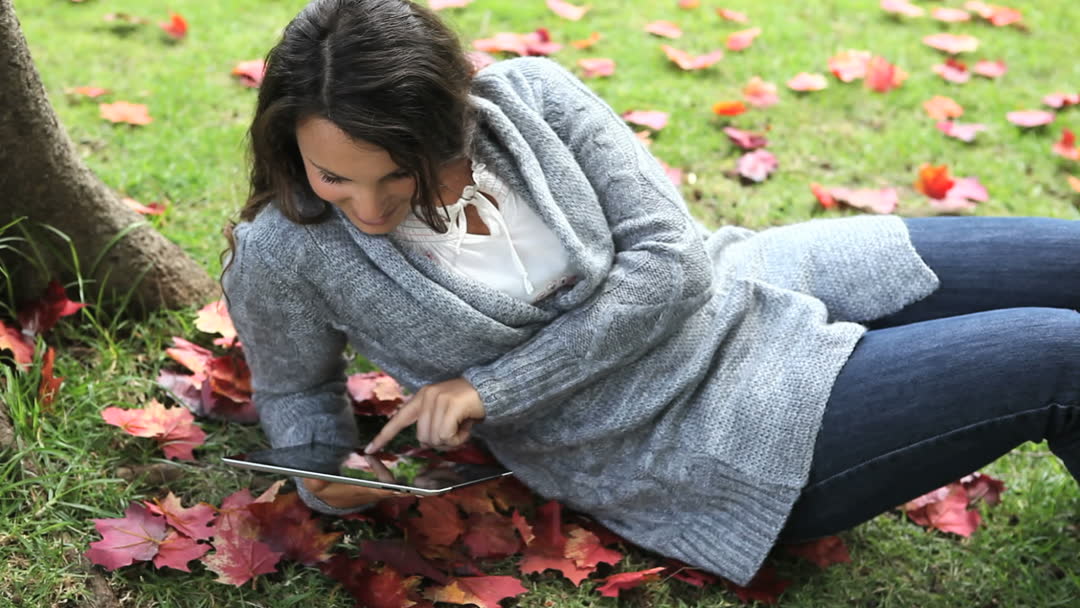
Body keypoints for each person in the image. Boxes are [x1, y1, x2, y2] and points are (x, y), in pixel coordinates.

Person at [221, 0, 1080, 587]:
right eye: (335, 176)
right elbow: (296, 395)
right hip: (693, 433)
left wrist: (492, 387)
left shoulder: (534, 97)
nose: (368, 210)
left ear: (452, 122)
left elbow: (671, 262)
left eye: (398, 176)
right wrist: (324, 477)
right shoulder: (284, 251)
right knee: (1062, 355)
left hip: (752, 278)